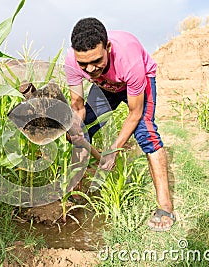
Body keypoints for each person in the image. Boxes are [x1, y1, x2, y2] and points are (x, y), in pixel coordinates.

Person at [64, 17, 175, 231]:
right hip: (106, 87)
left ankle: (165, 207)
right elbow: (77, 107)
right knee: (82, 129)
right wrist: (76, 128)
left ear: (108, 47)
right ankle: (75, 194)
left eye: (96, 61)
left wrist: (114, 149)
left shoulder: (128, 57)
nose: (90, 69)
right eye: (83, 64)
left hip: (137, 82)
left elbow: (135, 113)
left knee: (146, 133)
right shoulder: (72, 61)